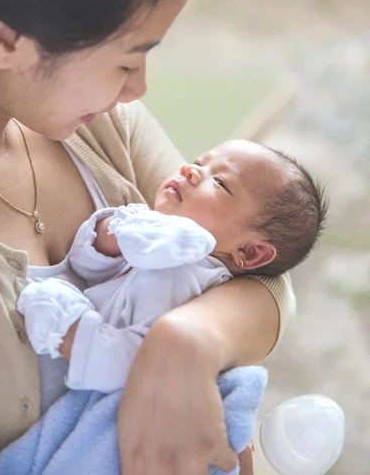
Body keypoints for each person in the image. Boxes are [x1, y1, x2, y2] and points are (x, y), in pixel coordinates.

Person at [0, 0, 296, 473]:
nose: (139, 89)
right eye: (128, 59)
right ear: (6, 39)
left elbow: (264, 274)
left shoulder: (102, 126)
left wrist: (188, 342)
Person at [18, 139, 327, 394]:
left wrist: (67, 327)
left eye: (220, 182)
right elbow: (86, 268)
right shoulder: (157, 236)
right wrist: (117, 235)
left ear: (251, 252)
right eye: (198, 160)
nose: (190, 170)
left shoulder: (185, 284)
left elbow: (130, 365)